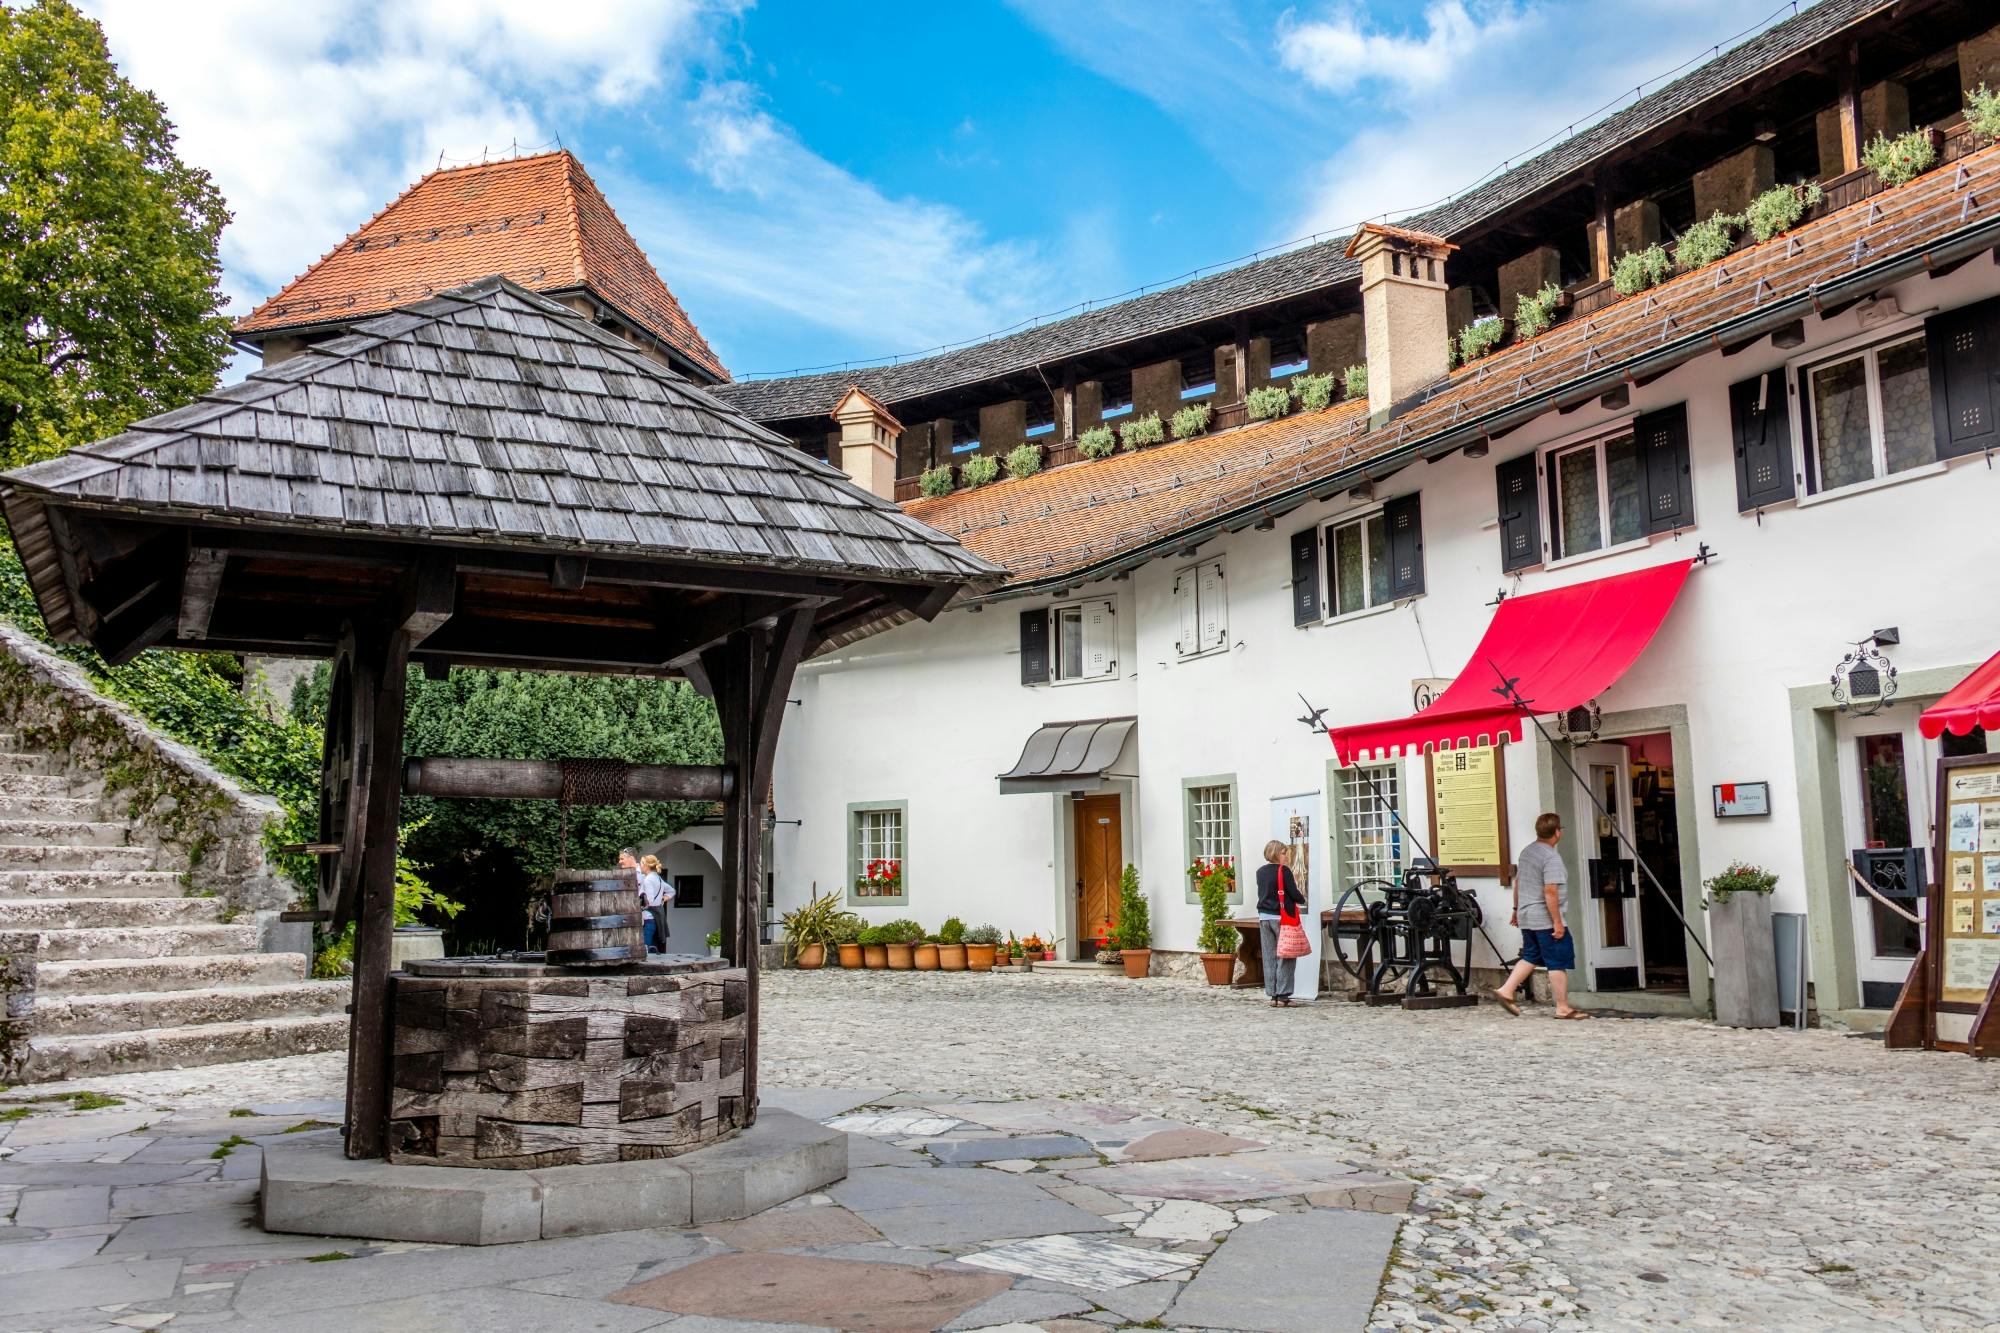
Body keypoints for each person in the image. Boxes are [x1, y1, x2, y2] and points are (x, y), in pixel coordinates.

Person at [1491, 812, 1589, 1019]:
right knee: (1557, 960)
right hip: (1545, 918)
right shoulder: (1551, 858)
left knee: (1531, 955)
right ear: (1557, 832)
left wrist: (1516, 909)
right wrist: (1557, 922)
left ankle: (1506, 990)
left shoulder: (1527, 852)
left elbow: (1518, 883)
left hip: (1527, 915)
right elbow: (1550, 891)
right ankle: (1562, 1007)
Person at [1256, 839, 1307, 1008]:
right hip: (1281, 918)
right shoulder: (1283, 870)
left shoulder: (1260, 872)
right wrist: (1302, 899)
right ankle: (1283, 996)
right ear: (1277, 854)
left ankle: (1273, 995)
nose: (1286, 856)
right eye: (1284, 853)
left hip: (1264, 918)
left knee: (1269, 957)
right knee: (1286, 954)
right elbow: (1293, 892)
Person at [638, 854, 674, 953]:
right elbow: (672, 891)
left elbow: (649, 901)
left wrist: (640, 906)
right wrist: (662, 899)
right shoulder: (658, 878)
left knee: (645, 949)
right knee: (651, 949)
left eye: (641, 864)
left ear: (646, 866)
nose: (640, 866)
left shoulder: (648, 880)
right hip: (656, 918)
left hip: (648, 918)